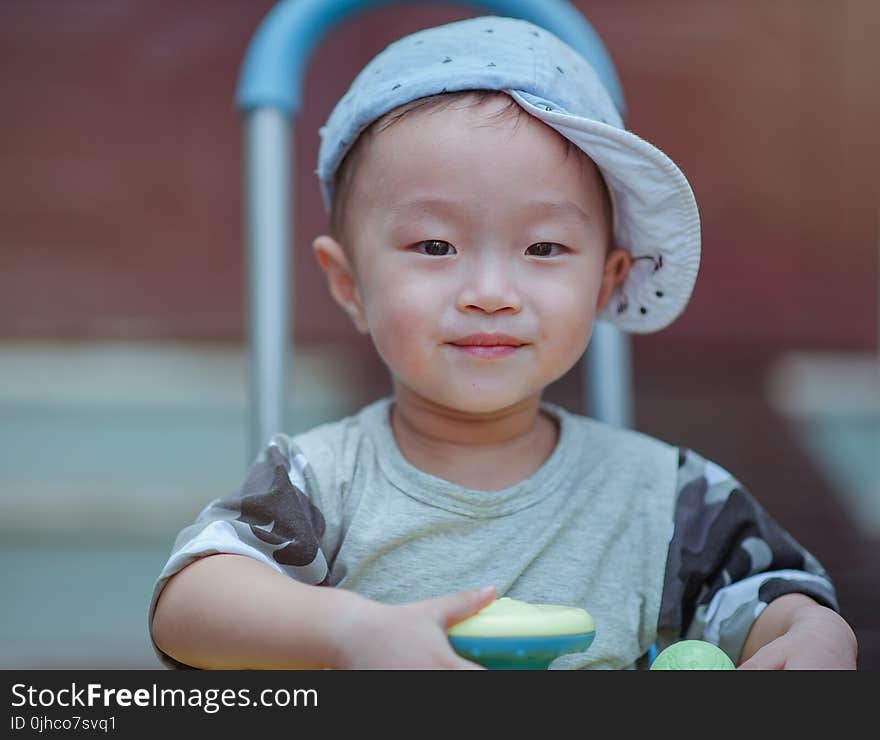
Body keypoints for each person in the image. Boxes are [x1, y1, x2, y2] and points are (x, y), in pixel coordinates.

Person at [149, 16, 857, 670]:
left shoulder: (668, 498)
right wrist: (347, 631)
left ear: (608, 282)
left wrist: (814, 632)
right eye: (435, 244)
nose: (491, 290)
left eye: (544, 247)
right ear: (348, 285)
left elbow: (770, 596)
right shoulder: (320, 483)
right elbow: (187, 605)